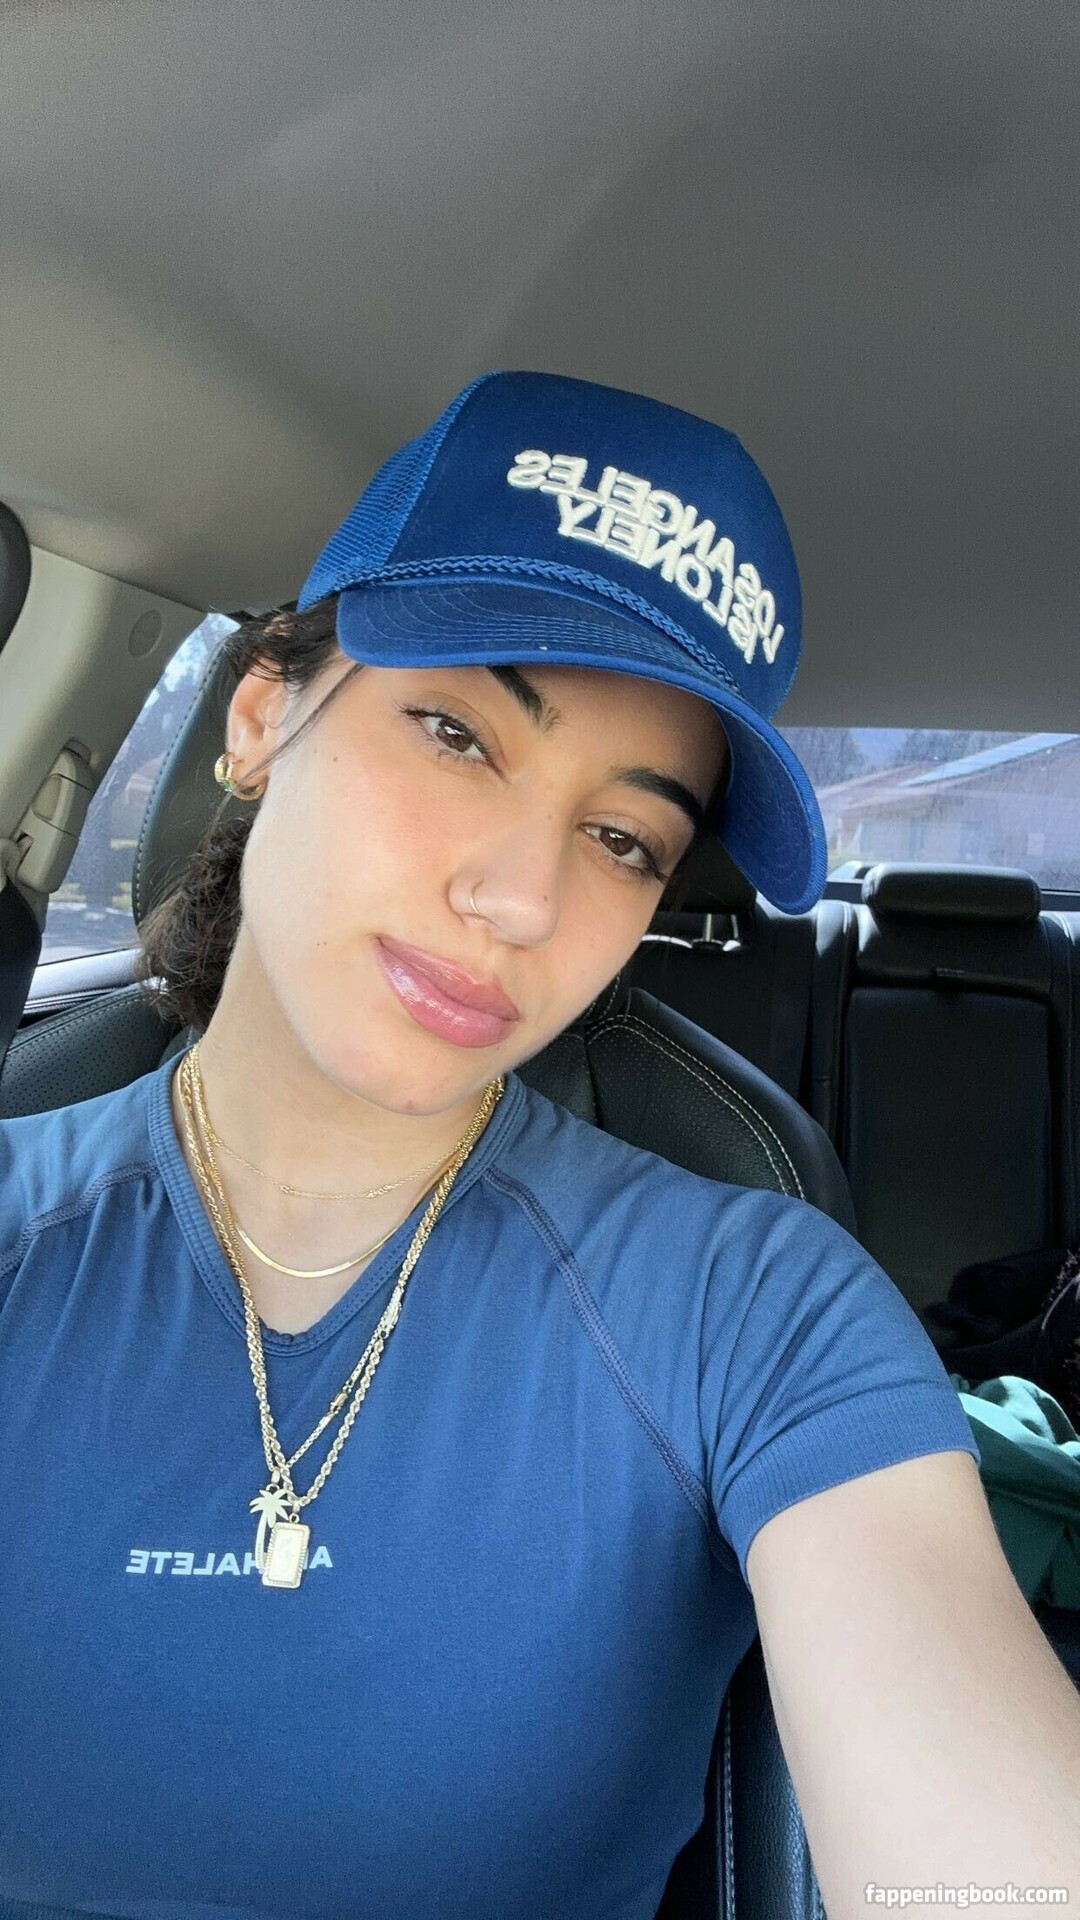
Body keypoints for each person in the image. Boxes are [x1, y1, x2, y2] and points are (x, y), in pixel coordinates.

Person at [0, 370, 1077, 1920]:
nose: (519, 898)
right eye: (457, 732)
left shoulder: (759, 1308)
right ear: (261, 717)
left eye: (624, 838)